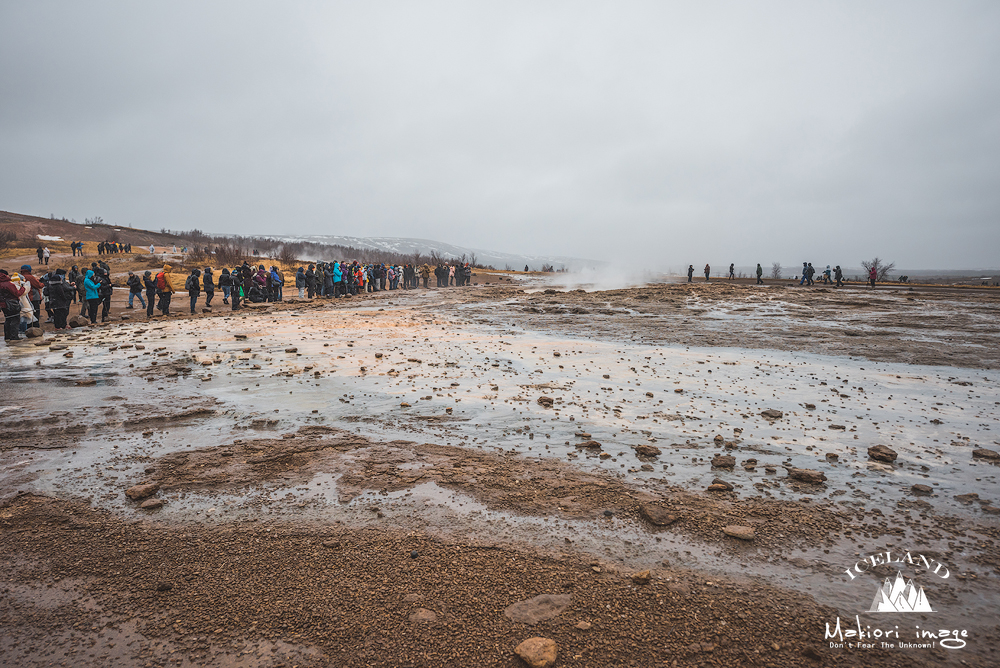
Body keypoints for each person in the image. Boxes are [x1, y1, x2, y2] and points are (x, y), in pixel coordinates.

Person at [1, 269, 26, 342]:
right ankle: (14, 336)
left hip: (3, 305)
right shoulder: (8, 284)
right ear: (5, 275)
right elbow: (17, 293)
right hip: (12, 304)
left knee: (8, 319)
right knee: (15, 319)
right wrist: (23, 288)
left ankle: (7, 336)